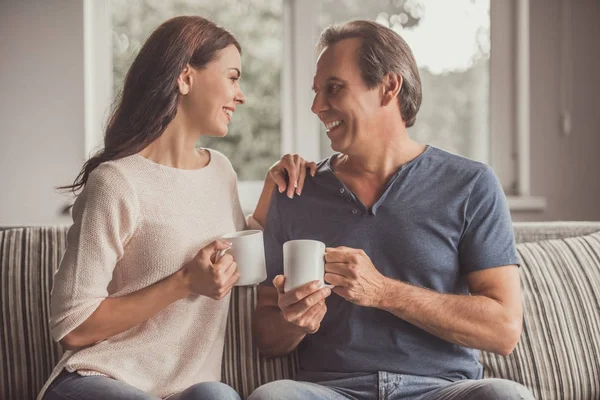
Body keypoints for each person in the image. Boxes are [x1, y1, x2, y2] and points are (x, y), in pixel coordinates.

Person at [250, 20, 535, 400]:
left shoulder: (471, 185)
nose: (317, 106)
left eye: (333, 88)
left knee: (505, 396)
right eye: (316, 92)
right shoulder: (295, 190)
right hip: (330, 391)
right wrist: (294, 321)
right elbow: (267, 338)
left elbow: (503, 329)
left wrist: (383, 291)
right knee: (273, 397)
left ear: (389, 87)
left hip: (444, 390)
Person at [39, 16, 314, 400]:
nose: (241, 94)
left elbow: (239, 248)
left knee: (220, 396)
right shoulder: (116, 181)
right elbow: (72, 326)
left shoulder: (221, 170)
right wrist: (184, 282)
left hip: (187, 390)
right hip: (101, 379)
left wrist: (272, 187)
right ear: (185, 78)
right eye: (233, 77)